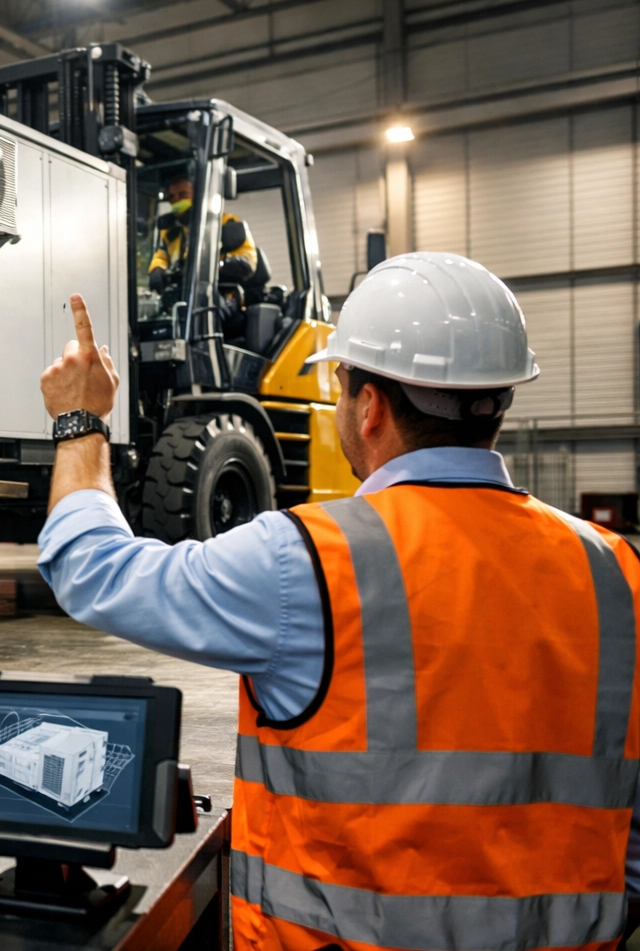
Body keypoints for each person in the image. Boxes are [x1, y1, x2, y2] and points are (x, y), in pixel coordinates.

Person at [38, 251, 640, 948]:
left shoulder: (306, 559)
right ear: (498, 402)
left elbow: (92, 570)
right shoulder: (616, 571)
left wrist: (80, 422)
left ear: (370, 405)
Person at [146, 172, 264, 310]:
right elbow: (160, 257)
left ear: (198, 195)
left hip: (224, 297)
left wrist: (213, 267)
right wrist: (157, 271)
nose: (177, 201)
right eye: (172, 197)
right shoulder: (171, 234)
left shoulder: (226, 223)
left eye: (183, 195)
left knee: (204, 303)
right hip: (185, 297)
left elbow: (247, 262)